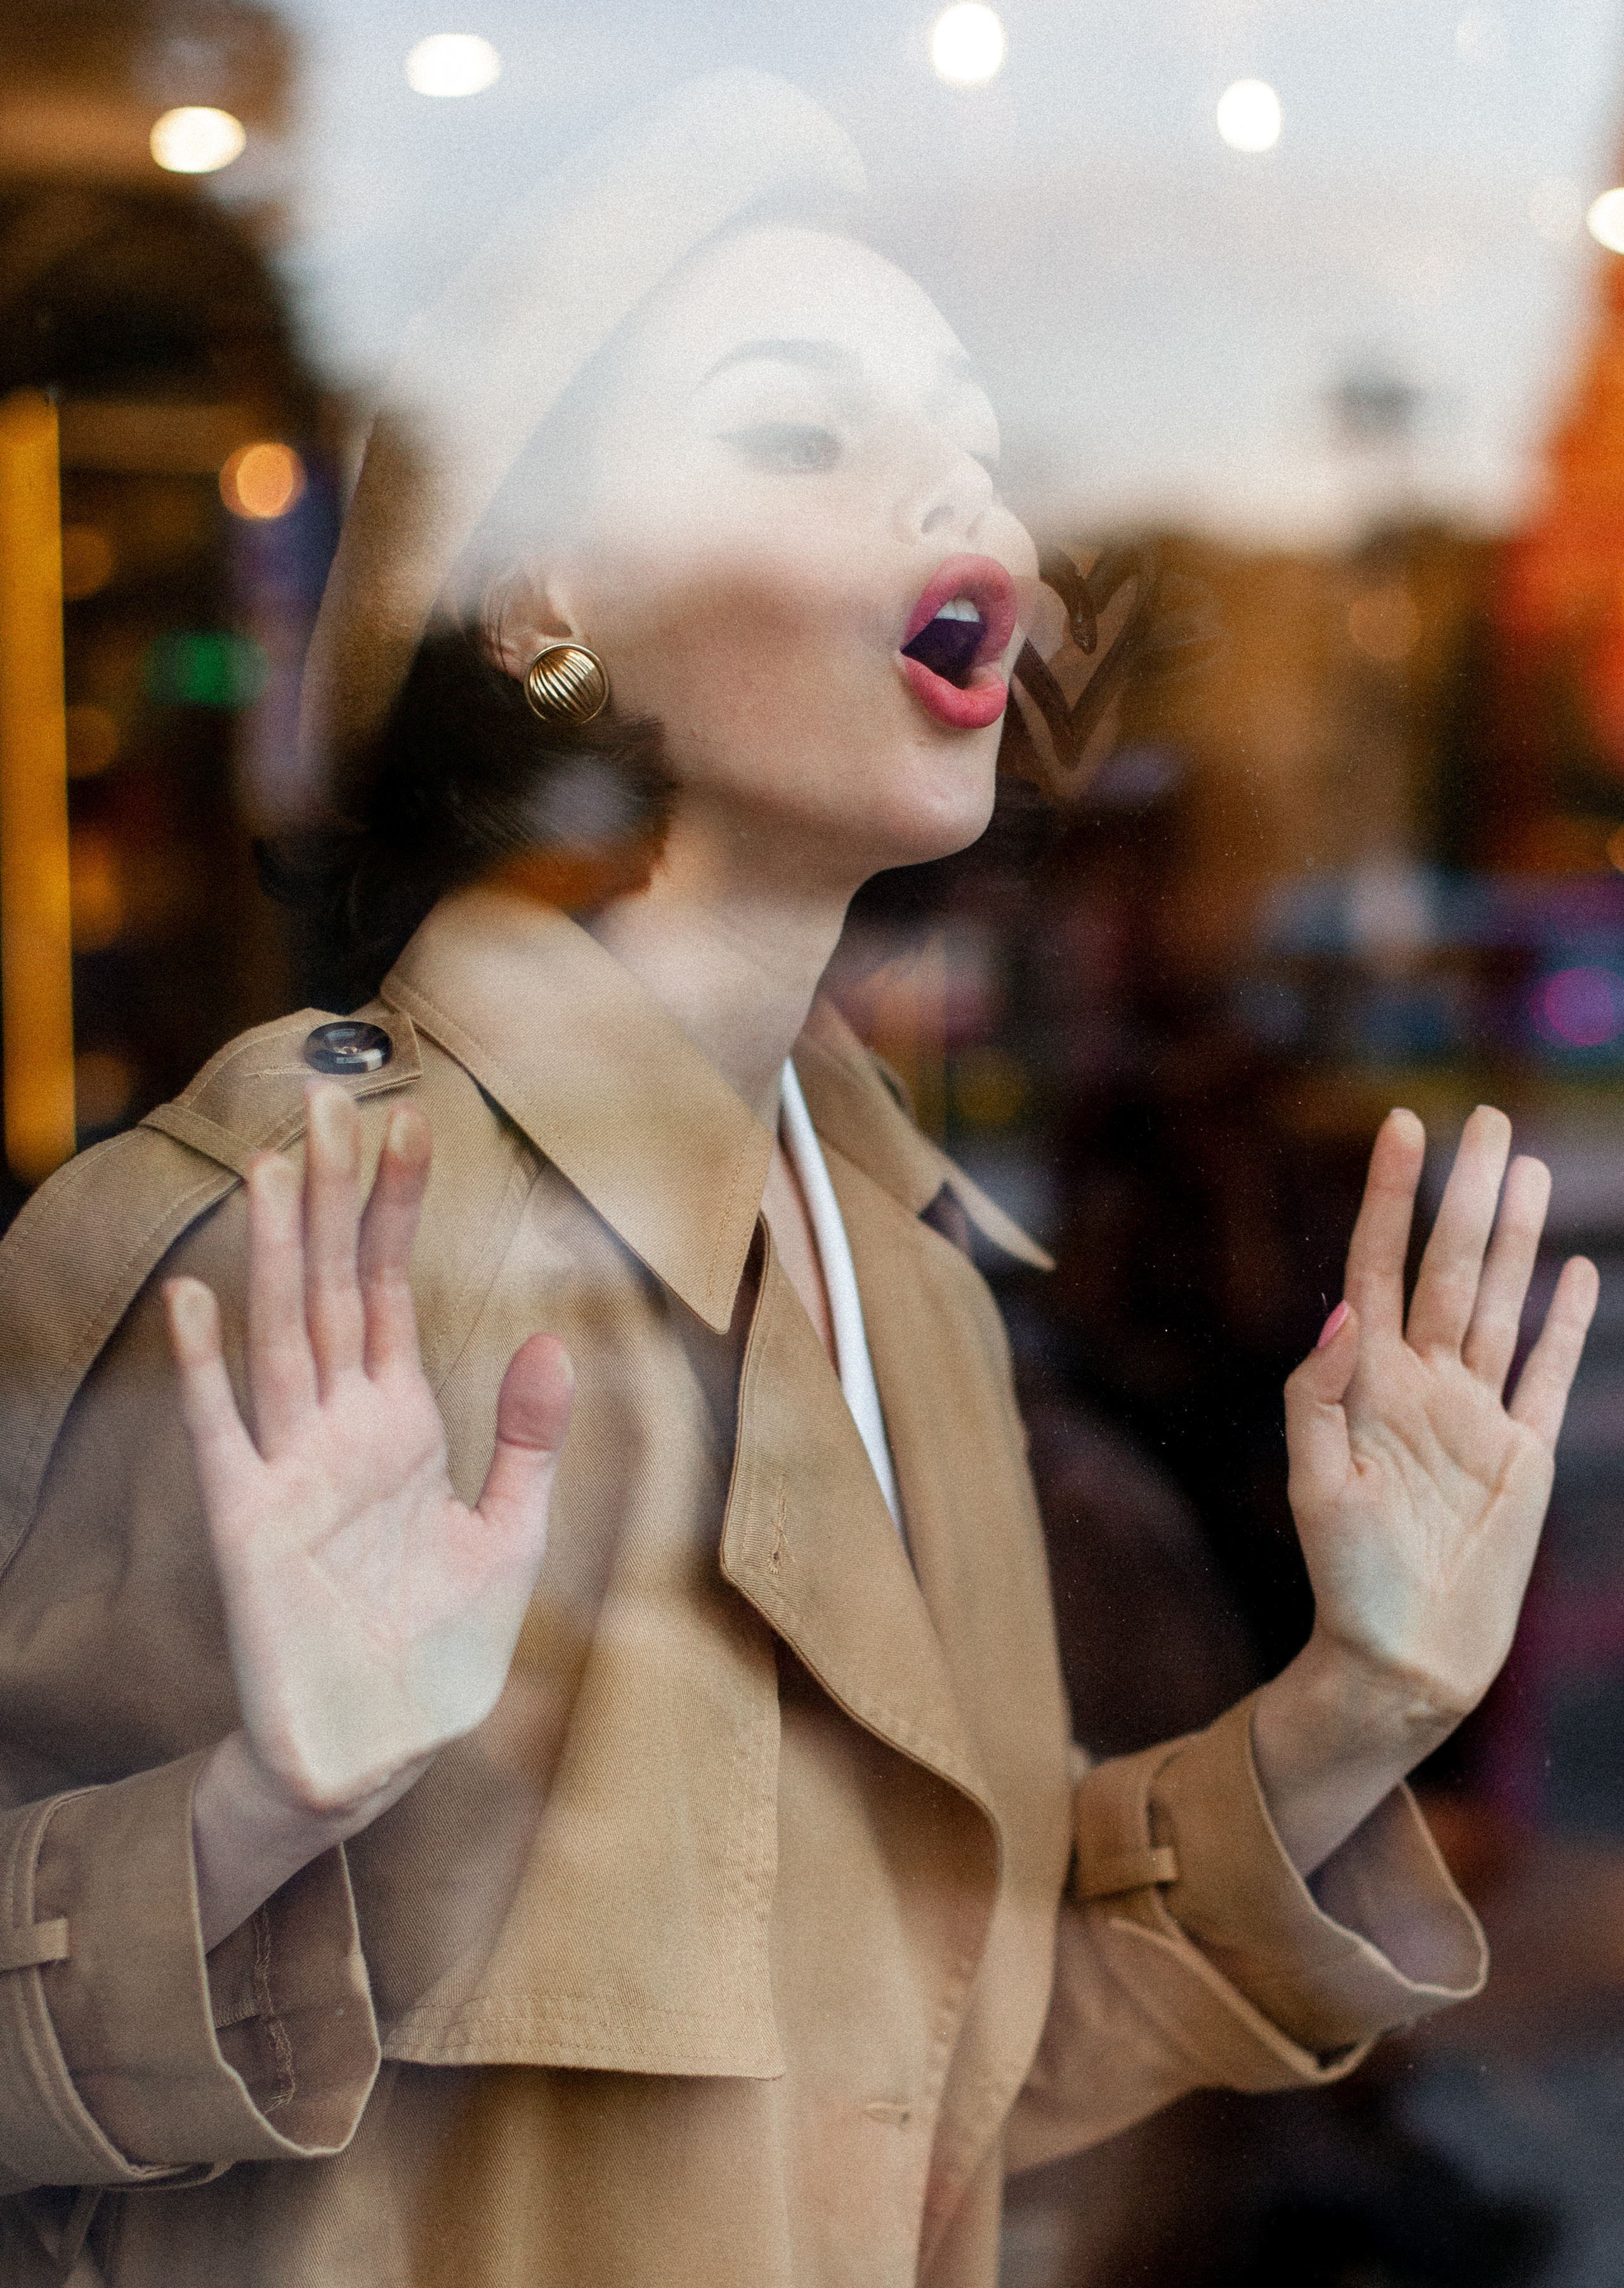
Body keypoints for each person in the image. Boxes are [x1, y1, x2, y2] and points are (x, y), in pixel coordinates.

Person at [0, 71, 1597, 2288]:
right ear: (544, 601)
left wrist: (1367, 1706)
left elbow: (938, 2080)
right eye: (794, 431)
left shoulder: (907, 1274)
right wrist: (255, 1822)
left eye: (971, 441)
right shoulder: (293, 1242)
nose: (958, 489)